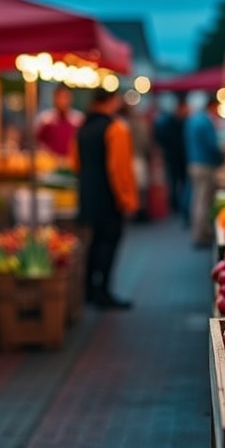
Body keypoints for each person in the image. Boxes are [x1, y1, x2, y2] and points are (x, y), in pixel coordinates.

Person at [71, 88, 139, 309]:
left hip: (87, 195)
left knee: (93, 243)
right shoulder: (115, 128)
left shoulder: (82, 128)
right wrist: (127, 199)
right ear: (112, 101)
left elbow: (75, 163)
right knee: (109, 244)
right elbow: (118, 169)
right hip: (109, 198)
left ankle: (88, 291)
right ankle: (104, 293)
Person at [185, 94, 225, 247]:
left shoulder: (194, 119)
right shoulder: (205, 121)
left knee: (197, 199)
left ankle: (200, 231)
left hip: (195, 163)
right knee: (202, 200)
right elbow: (211, 145)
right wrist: (221, 157)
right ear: (212, 105)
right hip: (205, 165)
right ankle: (200, 234)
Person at [153, 93, 189, 222]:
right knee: (174, 181)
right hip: (173, 157)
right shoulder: (170, 122)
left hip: (182, 157)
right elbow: (161, 138)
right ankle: (175, 205)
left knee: (182, 181)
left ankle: (179, 205)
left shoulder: (184, 121)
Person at [35, 84, 84, 163]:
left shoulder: (78, 120)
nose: (62, 101)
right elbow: (38, 142)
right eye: (59, 97)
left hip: (71, 162)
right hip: (50, 163)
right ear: (54, 98)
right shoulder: (46, 119)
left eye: (65, 97)